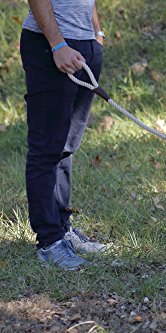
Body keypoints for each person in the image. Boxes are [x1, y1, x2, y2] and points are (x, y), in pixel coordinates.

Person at [20, 0, 107, 270]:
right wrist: (57, 45)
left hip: (84, 44)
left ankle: (62, 228)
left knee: (66, 146)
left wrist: (97, 34)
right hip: (51, 46)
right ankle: (50, 243)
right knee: (46, 149)